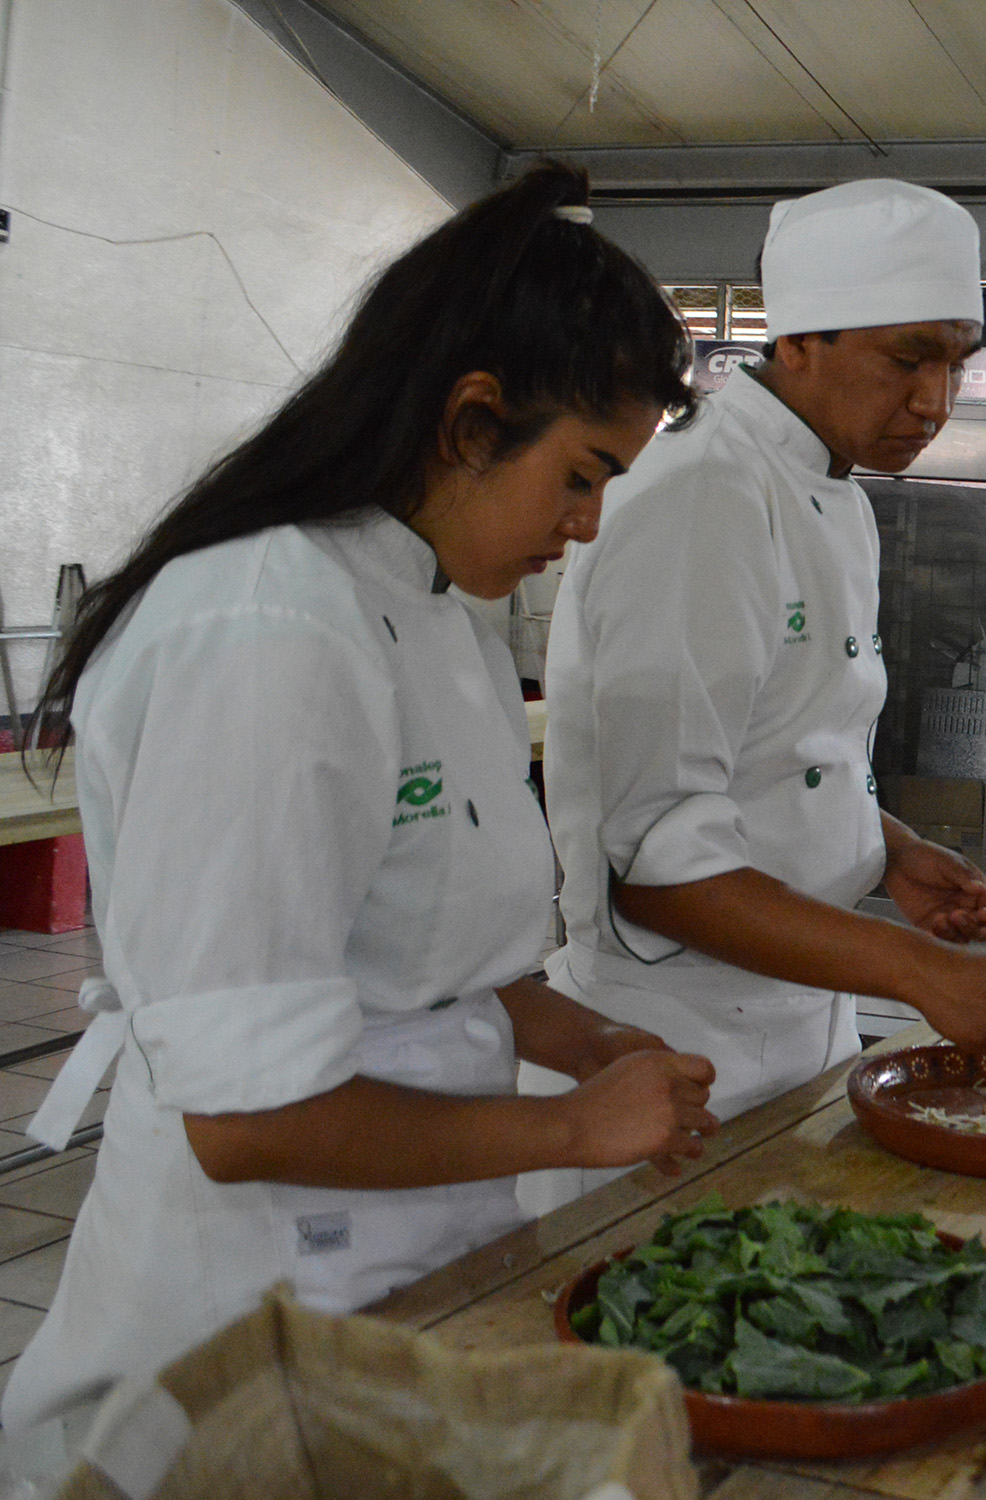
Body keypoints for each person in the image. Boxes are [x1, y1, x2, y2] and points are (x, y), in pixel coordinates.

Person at [0, 164, 722, 1450]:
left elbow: (432, 955)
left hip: (410, 1279)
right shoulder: (269, 626)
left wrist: (589, 1046)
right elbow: (243, 1118)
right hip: (252, 1333)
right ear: (469, 420)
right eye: (579, 475)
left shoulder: (442, 609)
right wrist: (567, 1125)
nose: (592, 525)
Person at [526, 179, 986, 1209]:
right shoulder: (704, 497)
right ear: (800, 344)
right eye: (908, 358)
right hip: (674, 1051)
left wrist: (891, 848)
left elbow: (784, 748)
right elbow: (658, 866)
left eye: (957, 361)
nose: (936, 402)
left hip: (803, 1022)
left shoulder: (833, 487)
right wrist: (920, 972)